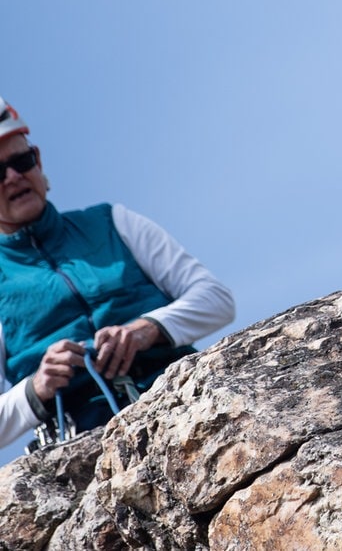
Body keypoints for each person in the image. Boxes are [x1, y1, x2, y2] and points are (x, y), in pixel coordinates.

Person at [0, 96, 235, 449]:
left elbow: (217, 300)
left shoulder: (115, 222)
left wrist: (147, 329)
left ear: (39, 161)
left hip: (182, 403)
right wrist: (36, 388)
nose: (14, 176)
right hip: (82, 440)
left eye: (22, 160)